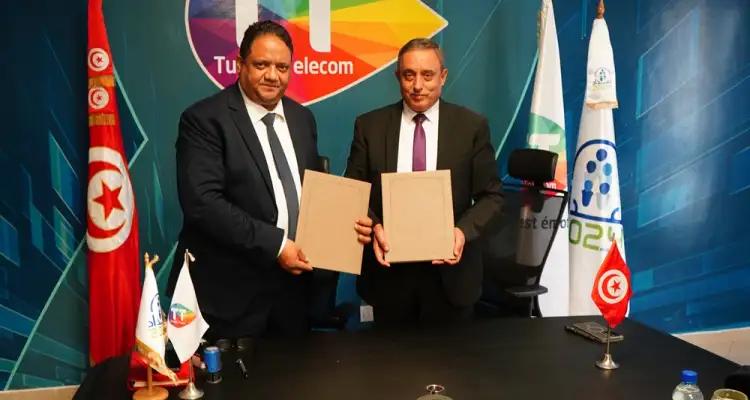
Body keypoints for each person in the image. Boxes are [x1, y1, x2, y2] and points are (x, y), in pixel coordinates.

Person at [168, 20, 372, 340]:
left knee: (295, 371)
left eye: (282, 67)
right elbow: (203, 204)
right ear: (240, 64)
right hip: (230, 294)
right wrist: (277, 245)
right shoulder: (204, 120)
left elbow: (311, 193)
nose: (272, 76)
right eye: (261, 65)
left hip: (294, 293)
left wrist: (351, 222)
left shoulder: (302, 118)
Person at [345, 38, 503, 324]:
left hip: (451, 279)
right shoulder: (369, 126)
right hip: (388, 278)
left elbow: (491, 197)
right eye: (409, 75)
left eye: (427, 75)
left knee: (451, 355)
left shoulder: (471, 127)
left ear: (443, 76)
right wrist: (375, 226)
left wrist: (462, 232)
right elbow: (353, 193)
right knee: (389, 355)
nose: (418, 85)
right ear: (398, 77)